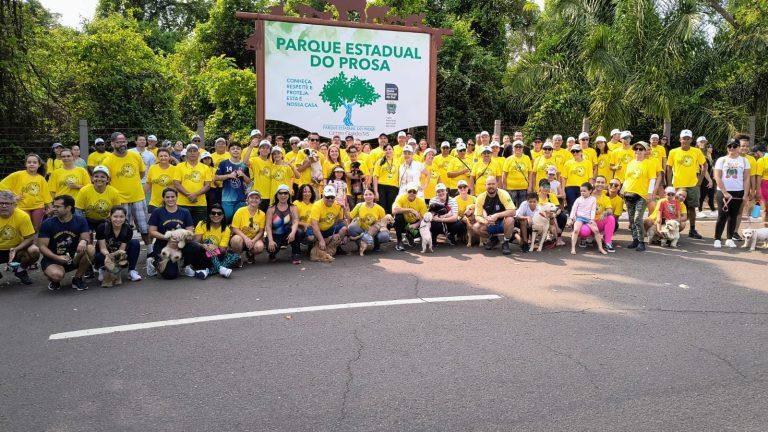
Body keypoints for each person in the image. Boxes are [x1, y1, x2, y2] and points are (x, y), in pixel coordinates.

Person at [37, 195, 95, 291]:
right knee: (57, 275)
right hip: (53, 259)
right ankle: (54, 280)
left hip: (73, 258)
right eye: (54, 206)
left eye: (58, 207)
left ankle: (77, 278)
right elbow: (42, 247)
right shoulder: (47, 223)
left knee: (90, 249)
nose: (54, 209)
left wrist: (84, 241)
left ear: (68, 208)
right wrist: (57, 257)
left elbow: (86, 238)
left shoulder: (80, 220)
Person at [101, 132, 149, 246]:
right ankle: (122, 252)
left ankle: (150, 253)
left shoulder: (135, 155)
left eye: (124, 141)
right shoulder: (107, 161)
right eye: (118, 142)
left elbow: (141, 173)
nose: (122, 144)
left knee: (144, 227)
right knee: (122, 228)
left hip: (138, 197)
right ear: (112, 144)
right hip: (119, 200)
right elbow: (106, 181)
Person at [146, 188, 204, 279]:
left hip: (180, 244)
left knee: (195, 246)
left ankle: (185, 265)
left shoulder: (185, 212)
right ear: (163, 198)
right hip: (163, 246)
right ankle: (153, 262)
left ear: (177, 197)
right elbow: (152, 232)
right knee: (170, 275)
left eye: (173, 197)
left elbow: (190, 231)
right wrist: (167, 237)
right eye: (167, 197)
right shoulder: (157, 212)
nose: (170, 199)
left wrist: (183, 237)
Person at [667, 129, 708, 239]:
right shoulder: (673, 152)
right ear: (680, 139)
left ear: (691, 139)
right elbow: (669, 168)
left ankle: (692, 229)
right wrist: (669, 184)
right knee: (674, 207)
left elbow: (704, 165)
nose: (685, 140)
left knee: (691, 208)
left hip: (692, 185)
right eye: (683, 138)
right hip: (677, 185)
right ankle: (673, 229)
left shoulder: (696, 151)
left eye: (688, 138)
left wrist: (700, 180)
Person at [713, 139, 751, 248]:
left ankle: (729, 238)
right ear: (727, 148)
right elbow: (717, 177)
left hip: (738, 191)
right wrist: (725, 192)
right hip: (723, 191)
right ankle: (717, 239)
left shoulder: (744, 161)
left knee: (733, 216)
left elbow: (746, 178)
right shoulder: (722, 160)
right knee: (722, 216)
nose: (732, 148)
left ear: (739, 148)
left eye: (735, 146)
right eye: (729, 146)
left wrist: (745, 194)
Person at [0, 153, 51, 231]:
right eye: (29, 162)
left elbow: (46, 195)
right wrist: (12, 197)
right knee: (23, 228)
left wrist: (49, 207)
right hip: (21, 206)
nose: (32, 164)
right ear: (25, 164)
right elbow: (2, 185)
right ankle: (23, 243)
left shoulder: (41, 179)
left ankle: (33, 243)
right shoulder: (17, 175)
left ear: (39, 165)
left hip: (38, 207)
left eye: (34, 162)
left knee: (36, 229)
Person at [622, 141, 656, 252]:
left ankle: (641, 241)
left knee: (637, 218)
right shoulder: (631, 163)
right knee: (632, 219)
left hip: (642, 195)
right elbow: (627, 178)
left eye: (641, 149)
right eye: (636, 149)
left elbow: (652, 179)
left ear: (645, 151)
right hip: (629, 194)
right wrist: (622, 190)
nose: (638, 151)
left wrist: (650, 193)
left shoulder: (649, 163)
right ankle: (635, 239)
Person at [0, 190, 39, 284]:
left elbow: (30, 238)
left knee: (34, 251)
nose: (3, 206)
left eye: (7, 203)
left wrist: (16, 249)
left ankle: (20, 270)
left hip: (17, 248)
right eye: (1, 203)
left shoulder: (22, 216)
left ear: (14, 204)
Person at [94, 206, 142, 283]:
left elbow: (122, 249)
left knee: (135, 243)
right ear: (110, 216)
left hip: (118, 252)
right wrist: (109, 257)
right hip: (105, 254)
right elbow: (102, 248)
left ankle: (131, 271)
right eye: (115, 216)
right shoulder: (102, 227)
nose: (118, 219)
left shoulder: (128, 229)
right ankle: (102, 269)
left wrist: (117, 259)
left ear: (125, 217)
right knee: (99, 256)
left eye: (121, 217)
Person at [472, 176, 517, 255]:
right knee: (476, 227)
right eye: (489, 184)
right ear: (485, 186)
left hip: (503, 222)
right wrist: (485, 221)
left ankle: (505, 242)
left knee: (510, 220)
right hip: (490, 223)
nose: (491, 186)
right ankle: (493, 239)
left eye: (493, 184)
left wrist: (497, 215)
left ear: (497, 185)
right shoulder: (480, 197)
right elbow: (477, 216)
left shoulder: (503, 194)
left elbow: (513, 211)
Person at [194, 203, 237, 277]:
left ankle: (207, 271)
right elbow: (195, 243)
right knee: (209, 241)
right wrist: (204, 246)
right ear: (209, 215)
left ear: (223, 216)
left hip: (217, 255)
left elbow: (223, 250)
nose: (216, 215)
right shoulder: (202, 224)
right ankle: (220, 268)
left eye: (219, 213)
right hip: (202, 255)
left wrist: (215, 247)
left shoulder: (226, 229)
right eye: (213, 213)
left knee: (236, 257)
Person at [174, 143, 212, 225]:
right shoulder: (179, 166)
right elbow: (176, 183)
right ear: (186, 153)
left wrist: (195, 195)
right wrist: (189, 195)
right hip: (182, 203)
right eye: (190, 151)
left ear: (198, 154)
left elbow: (208, 185)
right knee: (181, 228)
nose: (192, 153)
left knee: (200, 228)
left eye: (194, 151)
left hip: (200, 203)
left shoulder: (205, 167)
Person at [75, 165, 121, 231]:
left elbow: (117, 211)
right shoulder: (84, 190)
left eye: (102, 177)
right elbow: (78, 211)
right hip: (87, 220)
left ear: (108, 179)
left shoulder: (114, 192)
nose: (99, 179)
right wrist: (84, 226)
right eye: (96, 176)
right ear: (92, 179)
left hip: (106, 220)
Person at [566, 182, 607, 255]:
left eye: (584, 191)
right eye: (581, 191)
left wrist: (591, 219)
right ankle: (573, 248)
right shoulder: (578, 199)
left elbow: (593, 210)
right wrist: (571, 218)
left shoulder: (593, 199)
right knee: (575, 230)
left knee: (596, 231)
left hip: (588, 219)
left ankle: (600, 248)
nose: (582, 192)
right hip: (579, 218)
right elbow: (574, 209)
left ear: (590, 191)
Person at [265, 184, 302, 264]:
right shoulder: (271, 209)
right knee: (272, 247)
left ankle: (296, 253)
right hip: (275, 235)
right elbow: (268, 226)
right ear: (277, 195)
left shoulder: (293, 207)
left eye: (285, 193)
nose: (283, 195)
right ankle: (272, 254)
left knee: (298, 232)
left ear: (289, 195)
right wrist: (271, 240)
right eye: (280, 193)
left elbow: (296, 221)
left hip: (287, 235)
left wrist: (292, 233)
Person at [308, 185, 348, 255]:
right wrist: (321, 240)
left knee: (344, 228)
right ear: (323, 196)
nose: (330, 199)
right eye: (327, 197)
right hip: (315, 229)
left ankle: (335, 246)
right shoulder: (317, 206)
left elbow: (341, 220)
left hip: (328, 228)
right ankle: (312, 246)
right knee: (311, 238)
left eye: (332, 197)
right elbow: (314, 225)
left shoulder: (338, 205)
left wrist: (345, 235)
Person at [215, 143, 251, 222]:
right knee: (226, 219)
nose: (235, 150)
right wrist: (229, 176)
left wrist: (243, 175)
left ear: (241, 151)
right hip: (227, 199)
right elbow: (215, 177)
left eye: (238, 148)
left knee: (238, 221)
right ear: (229, 151)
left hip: (241, 199)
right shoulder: (223, 163)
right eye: (233, 148)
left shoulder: (244, 165)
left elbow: (249, 182)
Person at [348, 189, 390, 254]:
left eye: (370, 194)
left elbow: (383, 223)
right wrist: (344, 209)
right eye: (366, 195)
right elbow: (349, 217)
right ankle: (360, 245)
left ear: (374, 196)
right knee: (351, 228)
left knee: (384, 236)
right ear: (363, 196)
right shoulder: (359, 206)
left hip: (375, 231)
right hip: (362, 230)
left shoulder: (379, 208)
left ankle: (376, 245)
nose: (368, 196)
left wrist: (384, 228)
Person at [230, 190, 266, 263]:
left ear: (260, 201)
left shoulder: (262, 214)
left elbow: (261, 231)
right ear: (247, 200)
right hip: (241, 238)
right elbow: (234, 228)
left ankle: (250, 254)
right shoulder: (240, 211)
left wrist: (253, 240)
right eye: (251, 198)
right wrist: (246, 238)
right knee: (236, 240)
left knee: (259, 247)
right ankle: (237, 257)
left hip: (253, 238)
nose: (254, 200)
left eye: (256, 198)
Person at [392, 183, 427, 251]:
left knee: (426, 225)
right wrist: (411, 210)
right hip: (404, 223)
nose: (412, 193)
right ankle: (399, 241)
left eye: (414, 192)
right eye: (410, 191)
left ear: (416, 193)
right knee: (398, 217)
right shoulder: (401, 198)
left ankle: (410, 235)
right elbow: (394, 210)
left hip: (414, 224)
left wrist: (416, 224)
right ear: (406, 192)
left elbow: (425, 218)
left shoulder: (421, 202)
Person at [562, 144, 594, 212]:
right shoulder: (567, 163)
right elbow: (564, 178)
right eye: (573, 151)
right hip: (570, 188)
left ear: (581, 151)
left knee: (583, 206)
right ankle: (572, 221)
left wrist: (590, 189)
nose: (575, 153)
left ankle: (581, 222)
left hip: (583, 188)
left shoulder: (588, 163)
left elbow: (590, 178)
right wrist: (563, 190)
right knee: (572, 206)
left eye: (577, 151)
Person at [244, 139, 273, 212]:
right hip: (257, 195)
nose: (265, 149)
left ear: (270, 150)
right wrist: (251, 146)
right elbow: (245, 162)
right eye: (263, 147)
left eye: (267, 148)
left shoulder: (271, 163)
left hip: (270, 196)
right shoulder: (254, 160)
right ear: (259, 149)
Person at [145, 148, 177, 215]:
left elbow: (178, 185)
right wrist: (142, 196)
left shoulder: (175, 169)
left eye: (165, 156)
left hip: (171, 202)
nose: (163, 158)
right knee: (153, 224)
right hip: (154, 203)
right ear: (157, 157)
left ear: (169, 157)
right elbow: (148, 184)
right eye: (161, 156)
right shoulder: (152, 168)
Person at [502, 140, 532, 206]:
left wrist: (530, 186)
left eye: (520, 147)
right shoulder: (508, 159)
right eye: (516, 147)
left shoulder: (527, 158)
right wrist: (504, 188)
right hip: (511, 189)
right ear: (513, 148)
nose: (518, 148)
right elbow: (504, 175)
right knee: (511, 207)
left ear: (522, 148)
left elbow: (530, 173)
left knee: (523, 207)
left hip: (524, 188)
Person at [591, 176, 616, 252]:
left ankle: (608, 242)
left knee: (611, 218)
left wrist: (605, 213)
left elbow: (610, 210)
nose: (600, 184)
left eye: (602, 182)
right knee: (584, 231)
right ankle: (584, 238)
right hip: (587, 222)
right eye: (598, 182)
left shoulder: (606, 198)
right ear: (594, 183)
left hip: (598, 222)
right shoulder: (588, 194)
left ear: (605, 185)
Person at [372, 143, 399, 214]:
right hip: (381, 187)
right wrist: (376, 191)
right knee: (382, 208)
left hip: (393, 187)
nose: (388, 151)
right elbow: (375, 177)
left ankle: (390, 224)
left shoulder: (398, 162)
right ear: (384, 151)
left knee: (391, 208)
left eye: (390, 149)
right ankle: (382, 224)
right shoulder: (379, 162)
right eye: (386, 149)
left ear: (393, 150)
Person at [130, 135, 157, 205]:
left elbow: (152, 169)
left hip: (146, 182)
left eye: (144, 140)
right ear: (136, 142)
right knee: (133, 202)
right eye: (140, 140)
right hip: (132, 181)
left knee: (145, 203)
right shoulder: (129, 152)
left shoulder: (150, 154)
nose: (142, 141)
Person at [696, 136, 715, 215]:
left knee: (711, 192)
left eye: (704, 142)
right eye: (701, 142)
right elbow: (703, 168)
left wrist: (713, 176)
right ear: (697, 143)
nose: (703, 143)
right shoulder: (696, 152)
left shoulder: (707, 153)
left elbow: (710, 166)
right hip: (700, 176)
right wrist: (709, 179)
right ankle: (699, 210)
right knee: (701, 193)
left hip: (708, 176)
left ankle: (713, 209)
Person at [293, 184, 316, 250]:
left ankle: (311, 247)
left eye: (309, 191)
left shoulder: (315, 204)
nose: (307, 193)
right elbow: (293, 220)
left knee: (313, 235)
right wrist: (304, 224)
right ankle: (296, 248)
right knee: (299, 232)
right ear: (301, 193)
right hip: (299, 227)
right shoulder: (296, 203)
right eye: (304, 191)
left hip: (311, 227)